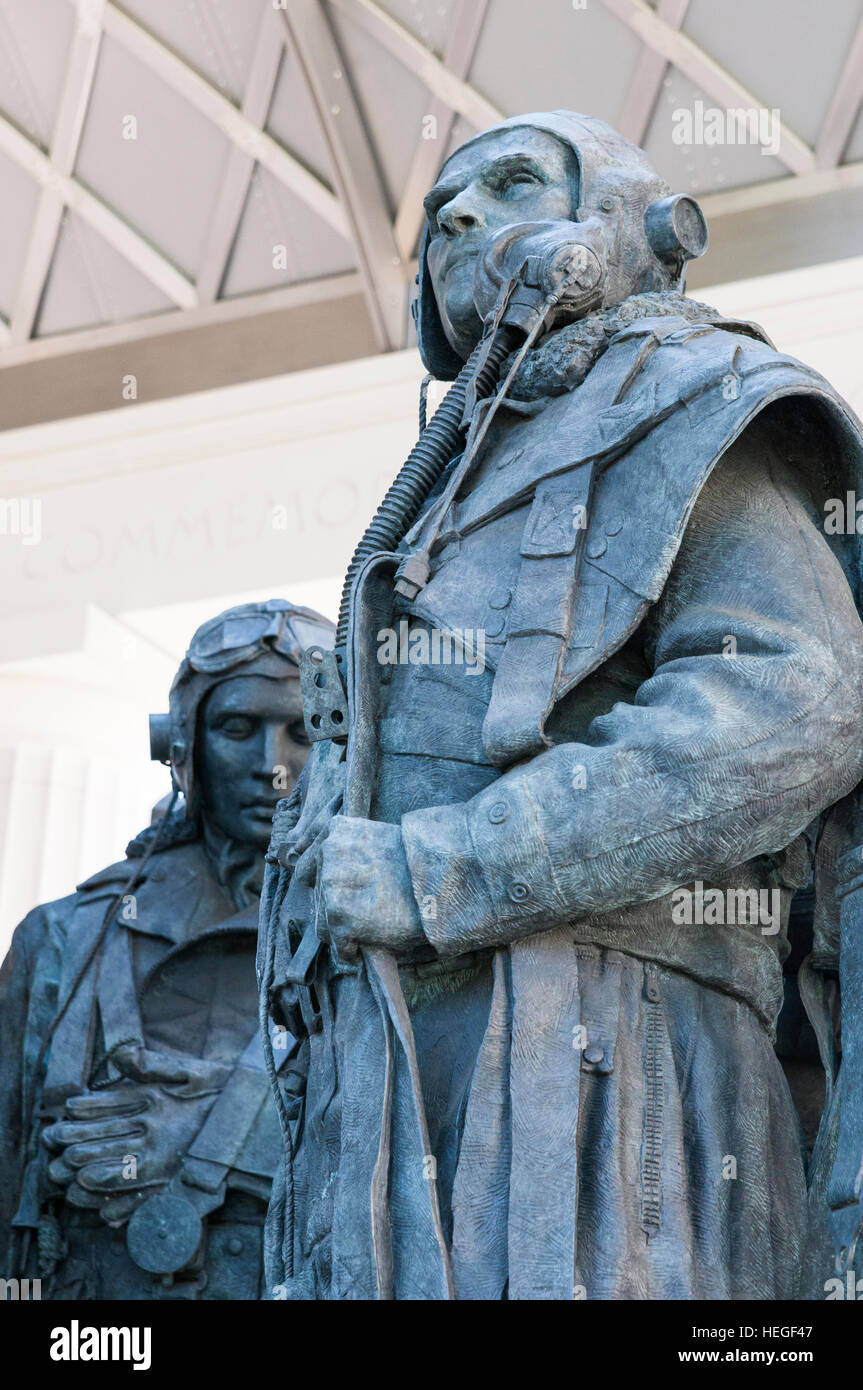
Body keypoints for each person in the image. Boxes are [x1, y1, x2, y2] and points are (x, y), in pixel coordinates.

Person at [260, 112, 863, 1301]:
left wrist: (444, 870)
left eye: (513, 183)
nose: (457, 219)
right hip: (397, 1082)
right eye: (439, 211)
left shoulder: (702, 399)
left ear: (627, 223)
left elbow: (794, 700)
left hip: (616, 1068)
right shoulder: (437, 495)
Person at [0, 598, 333, 1299]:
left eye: (301, 732)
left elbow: (437, 1166)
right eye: (237, 728)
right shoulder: (63, 938)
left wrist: (222, 1141)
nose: (271, 767)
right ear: (179, 742)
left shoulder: (379, 947)